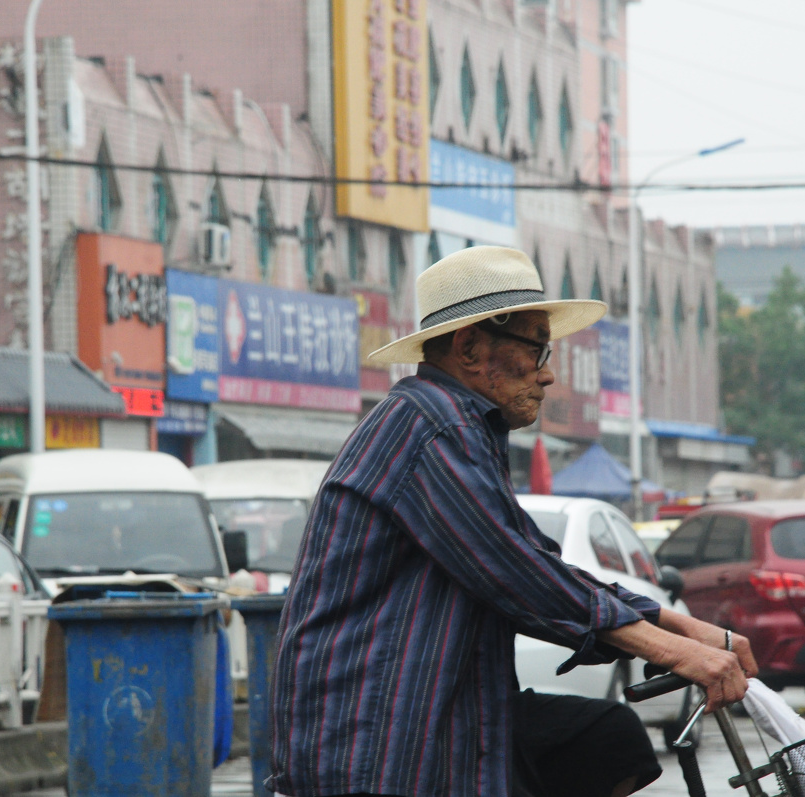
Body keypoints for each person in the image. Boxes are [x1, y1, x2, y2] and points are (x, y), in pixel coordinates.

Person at [268, 246, 756, 797]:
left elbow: (537, 557)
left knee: (609, 739)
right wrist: (678, 651)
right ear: (469, 348)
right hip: (374, 734)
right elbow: (515, 571)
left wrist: (683, 627)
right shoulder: (431, 425)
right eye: (536, 349)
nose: (548, 374)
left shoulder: (463, 427)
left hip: (447, 714)